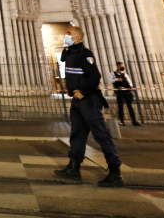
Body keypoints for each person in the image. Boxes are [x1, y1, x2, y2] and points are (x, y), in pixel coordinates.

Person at [54, 25, 125, 187]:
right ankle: (74, 167)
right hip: (77, 100)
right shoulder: (71, 53)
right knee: (77, 133)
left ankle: (115, 171)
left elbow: (95, 76)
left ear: (79, 37)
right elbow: (69, 68)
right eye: (66, 34)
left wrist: (83, 92)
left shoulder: (84, 54)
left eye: (69, 34)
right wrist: (71, 90)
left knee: (100, 133)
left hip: (89, 100)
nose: (66, 36)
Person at [109, 61, 140, 127]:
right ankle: (122, 121)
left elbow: (130, 82)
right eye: (121, 66)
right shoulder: (113, 73)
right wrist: (117, 79)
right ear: (118, 66)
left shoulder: (125, 74)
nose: (123, 67)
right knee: (120, 107)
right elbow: (110, 80)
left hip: (126, 91)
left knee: (130, 106)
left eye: (123, 66)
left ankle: (134, 120)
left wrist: (129, 87)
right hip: (119, 92)